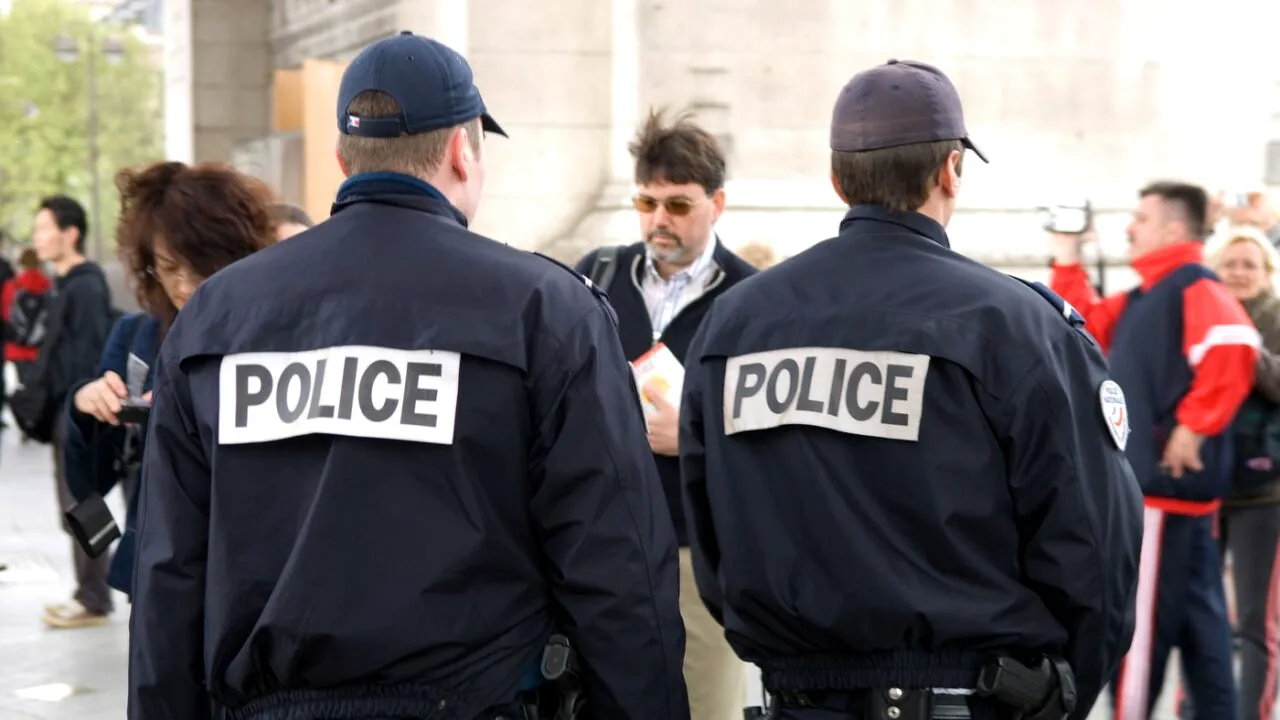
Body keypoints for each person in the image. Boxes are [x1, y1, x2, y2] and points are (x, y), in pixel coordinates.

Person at [129, 31, 688, 720]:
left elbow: (168, 575)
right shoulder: (542, 309)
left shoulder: (215, 315)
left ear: (343, 159)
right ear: (461, 151)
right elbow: (615, 564)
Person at [680, 59, 1144, 720]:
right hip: (965, 697)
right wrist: (1058, 694)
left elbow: (708, 532)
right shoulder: (1012, 325)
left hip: (800, 697)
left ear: (838, 180)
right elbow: (1093, 546)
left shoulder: (734, 323)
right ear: (950, 170)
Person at [1050, 182, 1259, 720]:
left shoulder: (1192, 285)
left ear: (1173, 228)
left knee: (1139, 643)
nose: (1129, 228)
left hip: (1161, 500)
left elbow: (1235, 343)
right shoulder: (1148, 294)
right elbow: (1079, 327)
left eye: (1140, 218)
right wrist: (1069, 253)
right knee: (1205, 642)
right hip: (1173, 501)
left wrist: (1194, 426)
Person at [573, 108, 756, 720]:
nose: (659, 219)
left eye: (678, 205)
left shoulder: (751, 298)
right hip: (603, 548)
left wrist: (696, 437)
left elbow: (775, 434)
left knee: (706, 708)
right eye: (646, 202)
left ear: (716, 204)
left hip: (697, 554)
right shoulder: (596, 276)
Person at [61, 161, 277, 603]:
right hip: (157, 570)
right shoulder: (136, 337)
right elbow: (91, 479)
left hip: (252, 571)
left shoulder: (275, 335)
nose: (185, 284)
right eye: (168, 266)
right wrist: (86, 407)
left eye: (202, 268)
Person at [14, 195, 118, 629]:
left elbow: (91, 354)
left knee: (82, 504)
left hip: (79, 412)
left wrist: (75, 406)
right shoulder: (63, 284)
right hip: (64, 409)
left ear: (70, 233)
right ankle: (90, 593)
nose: (37, 238)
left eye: (44, 228)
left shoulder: (86, 286)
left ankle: (94, 598)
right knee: (76, 505)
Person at [1205, 227, 1280, 720]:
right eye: (1230, 263)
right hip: (1203, 488)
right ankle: (1199, 707)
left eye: (1249, 264)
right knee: (1201, 614)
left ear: (1268, 272)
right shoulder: (1199, 315)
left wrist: (1244, 344)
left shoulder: (1275, 318)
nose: (1239, 272)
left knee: (1256, 621)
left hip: (1265, 493)